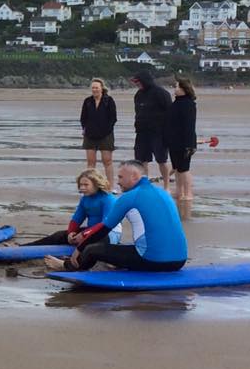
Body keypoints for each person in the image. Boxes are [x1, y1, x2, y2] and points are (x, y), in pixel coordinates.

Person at [45, 160, 187, 272]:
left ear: (134, 177)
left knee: (92, 249)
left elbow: (103, 229)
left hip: (154, 261)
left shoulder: (130, 197)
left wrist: (79, 249)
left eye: (120, 177)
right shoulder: (163, 193)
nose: (117, 181)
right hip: (179, 261)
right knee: (127, 248)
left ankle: (68, 266)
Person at [23, 169, 121, 246]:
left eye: (86, 185)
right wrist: (71, 233)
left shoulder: (109, 199)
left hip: (109, 233)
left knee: (90, 242)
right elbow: (76, 219)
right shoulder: (85, 199)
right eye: (80, 185)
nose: (82, 187)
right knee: (59, 236)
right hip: (91, 230)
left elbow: (105, 225)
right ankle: (23, 248)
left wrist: (84, 234)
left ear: (96, 184)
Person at [131, 70, 172, 190]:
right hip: (142, 132)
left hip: (158, 133)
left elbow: (170, 113)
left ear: (145, 81)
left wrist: (169, 132)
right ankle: (144, 185)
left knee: (161, 160)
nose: (137, 84)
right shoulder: (138, 95)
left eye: (138, 82)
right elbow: (137, 112)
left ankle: (166, 186)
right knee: (142, 160)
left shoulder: (161, 93)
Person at [80, 78, 117, 192]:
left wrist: (106, 130)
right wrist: (85, 129)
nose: (94, 89)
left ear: (101, 88)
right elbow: (83, 118)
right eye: (93, 88)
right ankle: (90, 186)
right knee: (91, 162)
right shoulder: (87, 101)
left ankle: (110, 187)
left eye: (96, 87)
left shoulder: (109, 100)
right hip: (90, 135)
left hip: (106, 135)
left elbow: (113, 118)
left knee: (107, 161)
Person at [165, 77, 197, 201]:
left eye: (177, 87)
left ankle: (188, 193)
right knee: (177, 168)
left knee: (184, 169)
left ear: (184, 89)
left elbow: (190, 126)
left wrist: (190, 145)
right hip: (173, 141)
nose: (175, 89)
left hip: (185, 142)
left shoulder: (189, 104)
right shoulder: (176, 103)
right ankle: (179, 192)